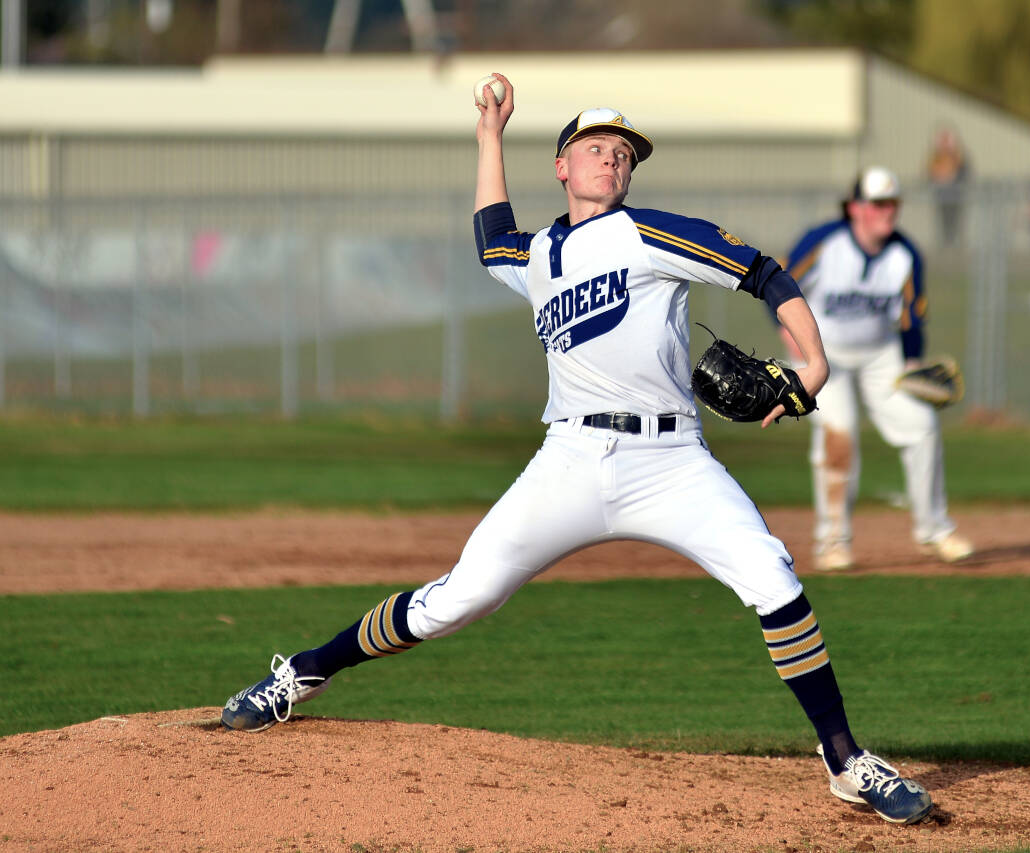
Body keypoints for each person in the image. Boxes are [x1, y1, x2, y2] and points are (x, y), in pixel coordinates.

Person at [219, 73, 935, 826]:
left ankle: (846, 759)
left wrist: (812, 364)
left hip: (672, 462)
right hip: (569, 458)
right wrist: (490, 135)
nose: (613, 160)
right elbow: (492, 236)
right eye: (596, 148)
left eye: (625, 152)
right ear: (562, 166)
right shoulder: (537, 257)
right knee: (459, 597)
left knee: (774, 577)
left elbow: (765, 274)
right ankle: (301, 674)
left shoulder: (653, 231)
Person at [781, 167, 973, 571]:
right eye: (878, 203)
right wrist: (787, 330)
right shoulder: (826, 242)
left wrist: (913, 359)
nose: (888, 211)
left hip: (881, 355)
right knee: (839, 434)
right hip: (822, 351)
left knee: (921, 426)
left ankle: (934, 530)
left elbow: (912, 315)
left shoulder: (905, 254)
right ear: (855, 207)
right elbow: (779, 285)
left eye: (893, 203)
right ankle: (833, 541)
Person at [924, 126, 969, 247]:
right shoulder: (935, 158)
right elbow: (930, 173)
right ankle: (946, 243)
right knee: (943, 223)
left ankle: (955, 243)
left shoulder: (959, 158)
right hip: (941, 198)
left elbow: (964, 173)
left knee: (955, 222)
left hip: (956, 198)